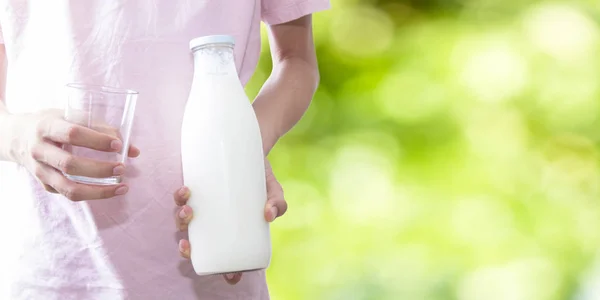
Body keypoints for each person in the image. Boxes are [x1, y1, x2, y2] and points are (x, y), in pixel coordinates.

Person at [0, 0, 329, 299]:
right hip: (47, 269)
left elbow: (296, 59)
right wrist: (18, 137)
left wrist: (243, 150)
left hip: (210, 260)